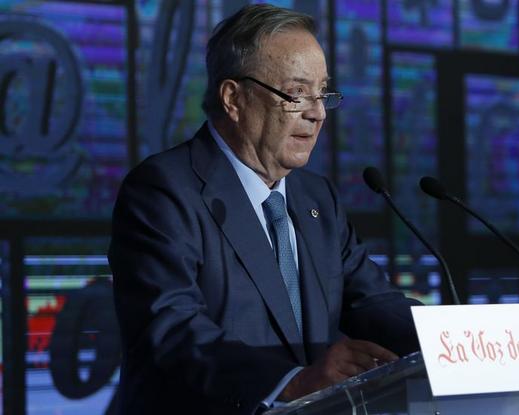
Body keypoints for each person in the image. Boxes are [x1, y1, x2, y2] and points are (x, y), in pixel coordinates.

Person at [108, 4, 420, 414]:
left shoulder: (316, 199)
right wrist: (292, 382)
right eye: (296, 93)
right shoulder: (163, 190)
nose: (318, 112)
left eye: (322, 92)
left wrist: (463, 344)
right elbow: (173, 329)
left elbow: (374, 303)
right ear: (233, 98)